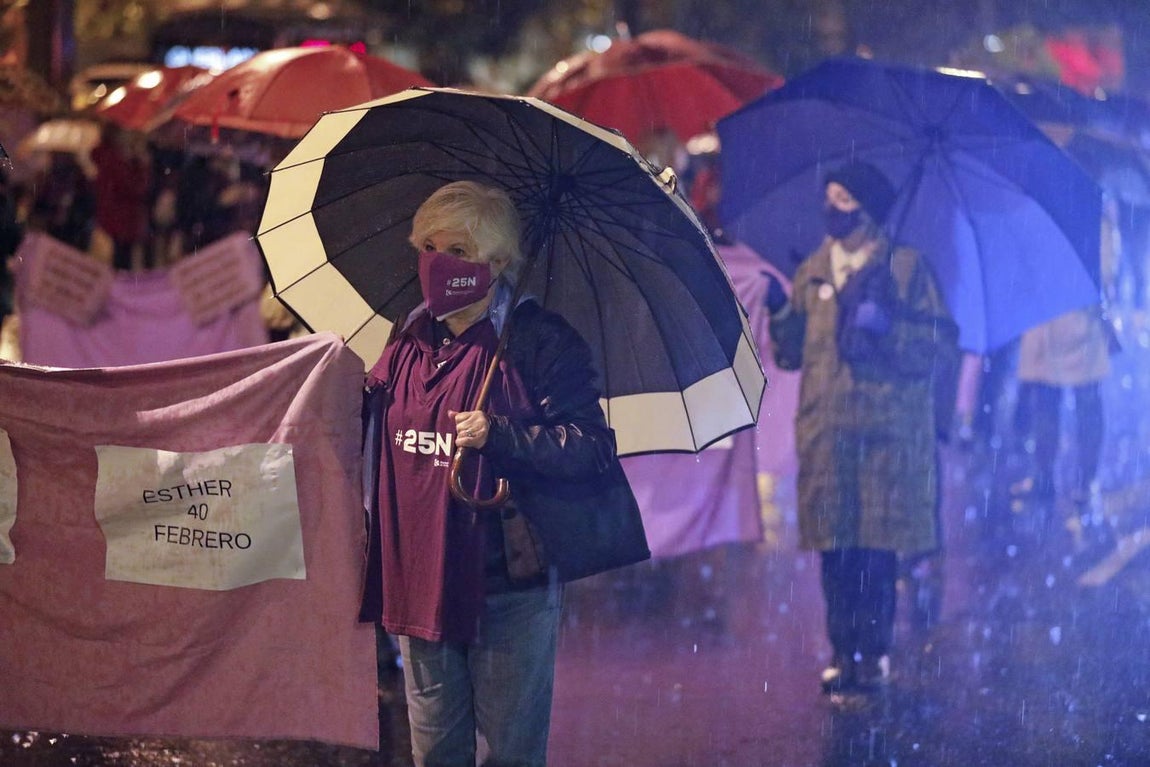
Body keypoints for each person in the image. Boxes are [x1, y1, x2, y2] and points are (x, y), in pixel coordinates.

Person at [360, 180, 648, 766]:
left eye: (459, 251)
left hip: (505, 585)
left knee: (509, 753)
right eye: (430, 246)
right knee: (434, 752)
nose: (439, 262)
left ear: (498, 263)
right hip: (419, 578)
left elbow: (592, 448)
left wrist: (503, 436)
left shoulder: (541, 341)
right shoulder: (410, 335)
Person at [764, 161, 958, 693]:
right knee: (835, 548)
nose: (833, 207)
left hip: (886, 440)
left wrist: (889, 329)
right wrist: (781, 313)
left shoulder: (907, 270)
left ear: (869, 208)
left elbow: (938, 348)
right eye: (828, 195)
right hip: (827, 436)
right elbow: (790, 356)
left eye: (845, 197)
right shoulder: (813, 269)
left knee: (875, 550)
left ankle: (871, 655)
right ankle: (841, 649)